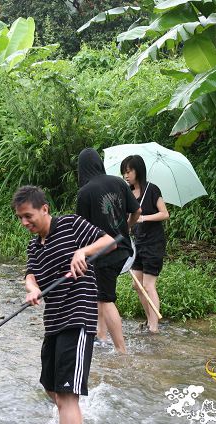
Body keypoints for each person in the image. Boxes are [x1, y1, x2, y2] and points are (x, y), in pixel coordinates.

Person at [12, 185, 115, 424]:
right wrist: (33, 289)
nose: (25, 222)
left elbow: (109, 241)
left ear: (44, 209)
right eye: (20, 218)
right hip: (53, 323)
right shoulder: (34, 246)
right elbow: (30, 275)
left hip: (78, 319)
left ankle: (72, 414)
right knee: (51, 390)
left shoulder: (71, 224)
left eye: (28, 216)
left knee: (67, 397)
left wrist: (82, 252)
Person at [76, 148, 141, 354]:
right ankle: (100, 336)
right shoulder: (119, 182)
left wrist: (80, 253)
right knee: (101, 294)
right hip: (123, 247)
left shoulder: (85, 192)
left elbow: (81, 229)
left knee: (106, 299)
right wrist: (127, 227)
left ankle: (121, 350)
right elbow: (137, 210)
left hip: (103, 253)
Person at [120, 155, 169, 334]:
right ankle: (150, 320)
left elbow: (164, 214)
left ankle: (154, 328)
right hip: (137, 244)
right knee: (136, 285)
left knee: (148, 285)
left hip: (153, 243)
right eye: (124, 172)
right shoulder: (128, 192)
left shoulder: (152, 190)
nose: (126, 175)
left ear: (138, 171)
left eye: (129, 171)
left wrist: (144, 217)